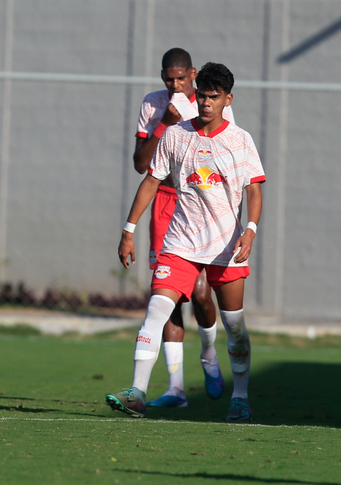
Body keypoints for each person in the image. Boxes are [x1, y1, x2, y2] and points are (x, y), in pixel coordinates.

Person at [107, 62, 265, 421]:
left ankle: (239, 397)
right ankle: (137, 392)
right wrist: (128, 230)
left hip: (227, 247)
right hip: (180, 243)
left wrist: (251, 229)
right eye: (204, 97)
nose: (207, 103)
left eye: (214, 97)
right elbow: (150, 181)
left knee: (235, 326)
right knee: (156, 310)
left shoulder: (240, 140)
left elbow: (254, 189)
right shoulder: (176, 135)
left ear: (227, 99)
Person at [132, 48, 235, 408]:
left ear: (192, 74)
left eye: (180, 78)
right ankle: (175, 388)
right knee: (166, 294)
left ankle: (208, 352)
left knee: (203, 293)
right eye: (167, 78)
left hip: (203, 202)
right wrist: (165, 120)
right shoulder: (154, 103)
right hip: (165, 202)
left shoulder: (212, 102)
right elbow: (140, 164)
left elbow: (229, 157)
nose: (174, 84)